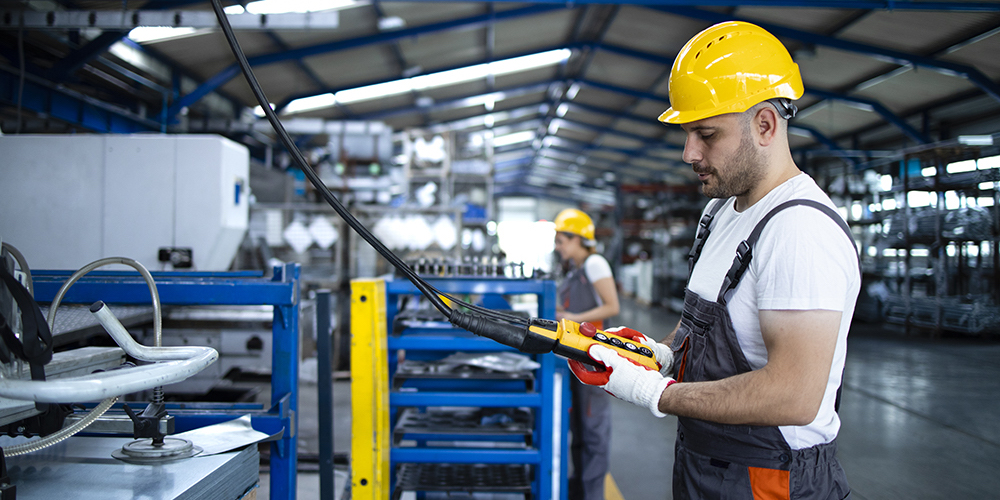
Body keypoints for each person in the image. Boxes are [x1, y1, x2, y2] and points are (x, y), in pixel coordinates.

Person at [572, 21, 860, 500]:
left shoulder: (799, 229)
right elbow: (701, 332)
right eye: (688, 134)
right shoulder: (720, 213)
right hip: (704, 463)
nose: (689, 153)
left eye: (706, 134)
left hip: (769, 480)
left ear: (765, 124)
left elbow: (794, 394)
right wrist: (657, 354)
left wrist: (655, 392)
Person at [553, 208, 620, 500]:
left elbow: (612, 306)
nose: (558, 248)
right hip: (577, 357)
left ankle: (592, 494)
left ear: (578, 239)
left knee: (593, 431)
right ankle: (579, 489)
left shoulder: (595, 263)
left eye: (562, 241)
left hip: (594, 361)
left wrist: (573, 318)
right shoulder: (576, 269)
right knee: (579, 429)